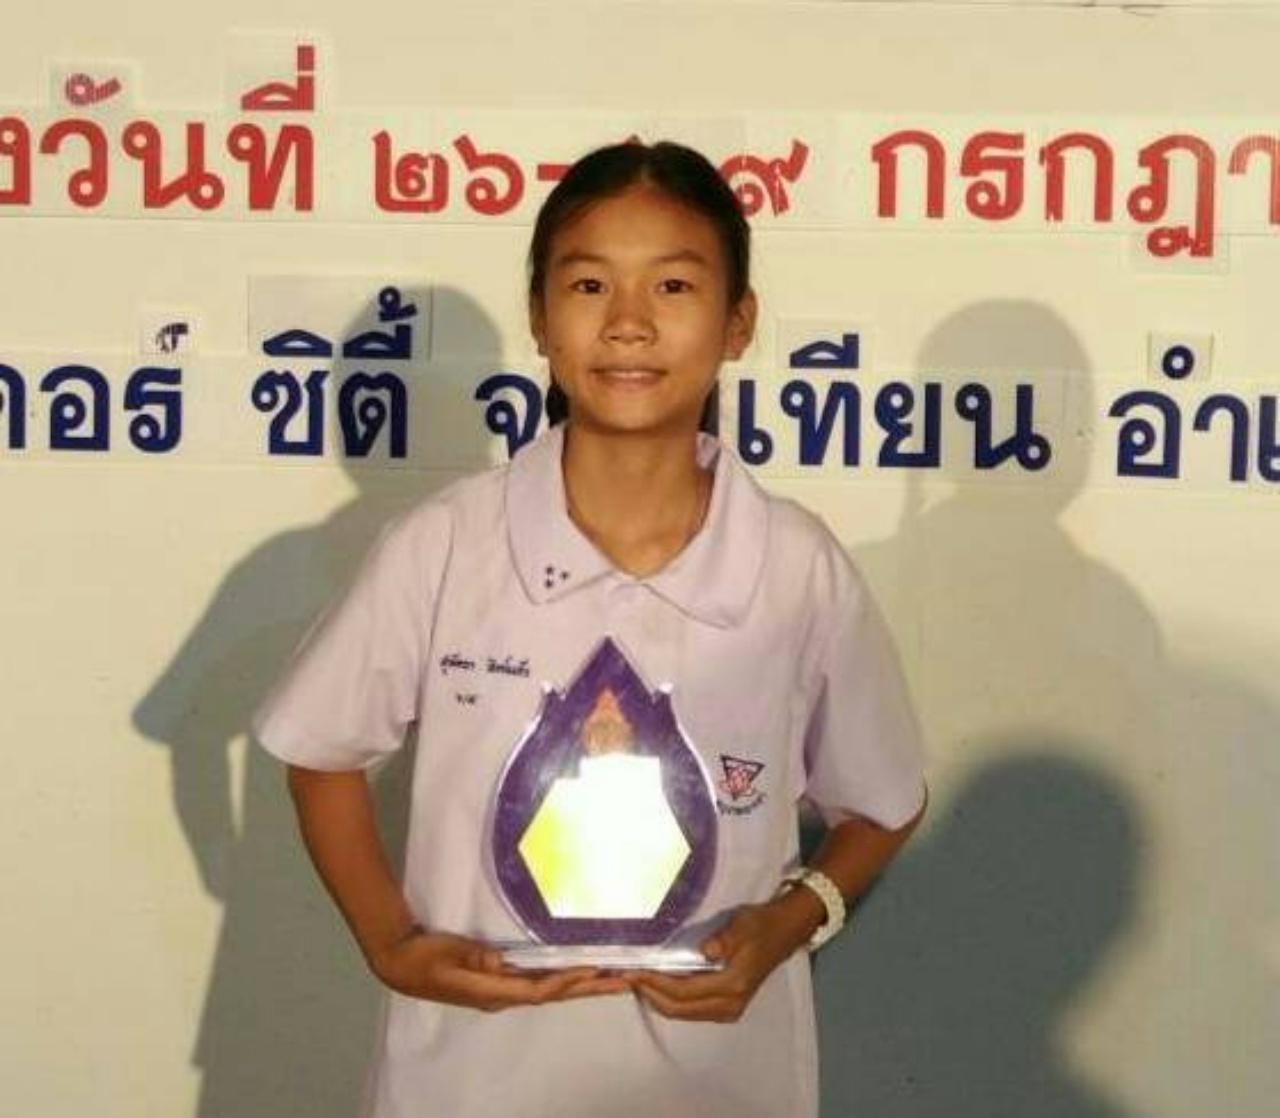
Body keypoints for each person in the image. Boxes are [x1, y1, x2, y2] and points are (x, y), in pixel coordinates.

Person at [253, 140, 926, 1118]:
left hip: (714, 1082)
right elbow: (318, 750)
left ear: (737, 322)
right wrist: (389, 941)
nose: (627, 323)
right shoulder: (445, 544)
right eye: (587, 284)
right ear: (538, 314)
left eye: (673, 285)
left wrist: (789, 925)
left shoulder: (795, 564)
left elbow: (882, 800)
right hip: (470, 1079)